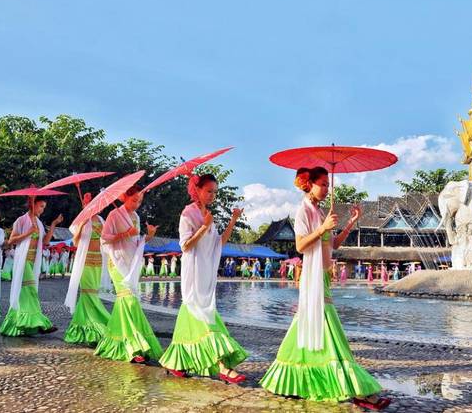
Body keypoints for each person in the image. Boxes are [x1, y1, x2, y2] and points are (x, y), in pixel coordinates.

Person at [260, 167, 389, 410]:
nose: (327, 188)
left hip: (323, 276)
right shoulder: (303, 212)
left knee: (307, 324)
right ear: (309, 184)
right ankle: (358, 389)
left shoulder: (319, 211)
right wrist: (321, 229)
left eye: (328, 184)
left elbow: (332, 245)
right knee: (330, 329)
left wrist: (349, 223)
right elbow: (300, 245)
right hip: (312, 276)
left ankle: (286, 376)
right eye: (322, 184)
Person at [159, 174, 247, 383]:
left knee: (192, 317)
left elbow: (219, 243)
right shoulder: (187, 214)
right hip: (194, 272)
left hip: (206, 274)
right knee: (202, 317)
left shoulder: (208, 214)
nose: (212, 195)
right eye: (209, 191)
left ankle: (174, 361)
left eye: (215, 192)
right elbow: (185, 246)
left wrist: (233, 220)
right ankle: (222, 367)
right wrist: (203, 227)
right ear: (196, 190)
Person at [94, 185, 162, 364]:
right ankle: (134, 345)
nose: (137, 204)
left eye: (140, 201)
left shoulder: (136, 217)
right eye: (134, 200)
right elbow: (104, 238)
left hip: (131, 262)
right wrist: (125, 233)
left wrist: (149, 236)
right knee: (129, 300)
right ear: (125, 197)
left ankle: (116, 342)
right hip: (117, 262)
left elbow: (136, 241)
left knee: (125, 303)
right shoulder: (114, 215)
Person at [0, 197, 61, 336]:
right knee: (31, 289)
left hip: (34, 261)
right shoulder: (21, 220)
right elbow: (11, 240)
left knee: (27, 291)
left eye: (44, 207)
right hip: (23, 260)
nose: (42, 210)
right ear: (32, 205)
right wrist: (28, 232)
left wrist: (54, 224)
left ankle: (20, 322)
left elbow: (45, 241)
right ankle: (41, 324)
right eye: (41, 206)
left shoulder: (38, 223)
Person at [63, 192, 111, 346]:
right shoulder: (81, 220)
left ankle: (83, 329)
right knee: (89, 294)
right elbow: (75, 242)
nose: (93, 206)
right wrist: (82, 225)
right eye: (88, 204)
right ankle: (102, 323)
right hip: (85, 261)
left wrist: (101, 234)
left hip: (98, 260)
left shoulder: (102, 220)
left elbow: (107, 240)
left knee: (91, 294)